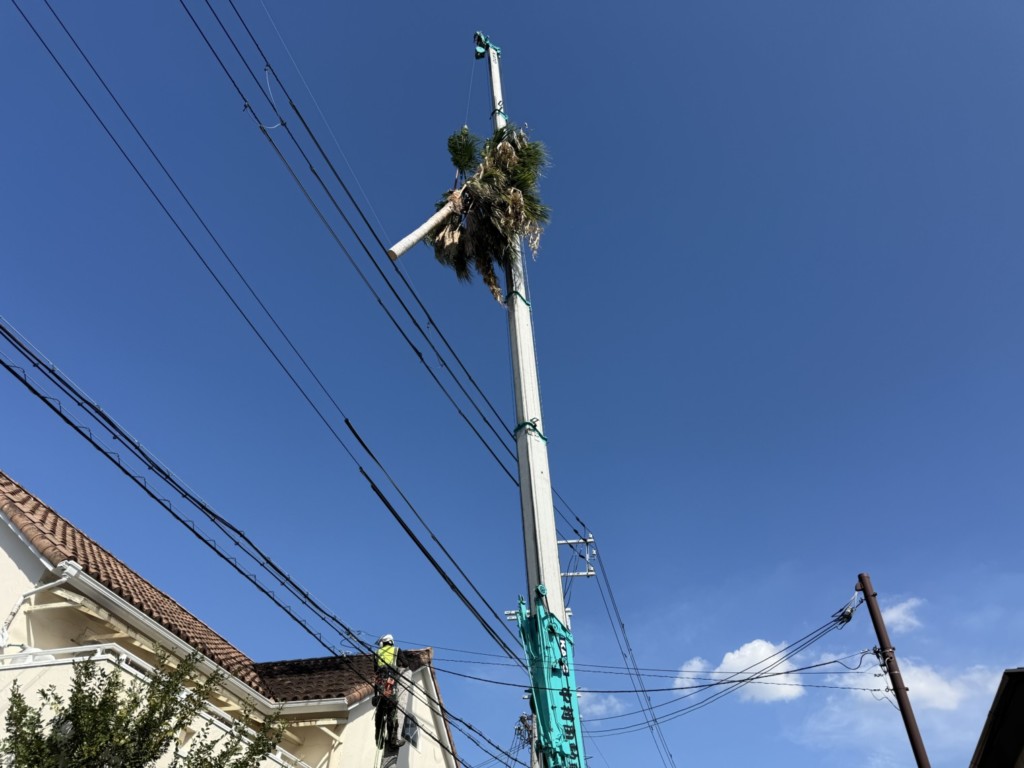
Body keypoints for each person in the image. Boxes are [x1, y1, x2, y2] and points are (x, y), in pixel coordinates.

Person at [373, 634, 404, 749]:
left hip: (380, 688)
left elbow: (375, 670)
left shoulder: (377, 653)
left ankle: (379, 742)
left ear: (382, 642)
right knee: (392, 714)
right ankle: (393, 741)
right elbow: (405, 663)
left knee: (380, 714)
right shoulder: (396, 650)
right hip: (391, 687)